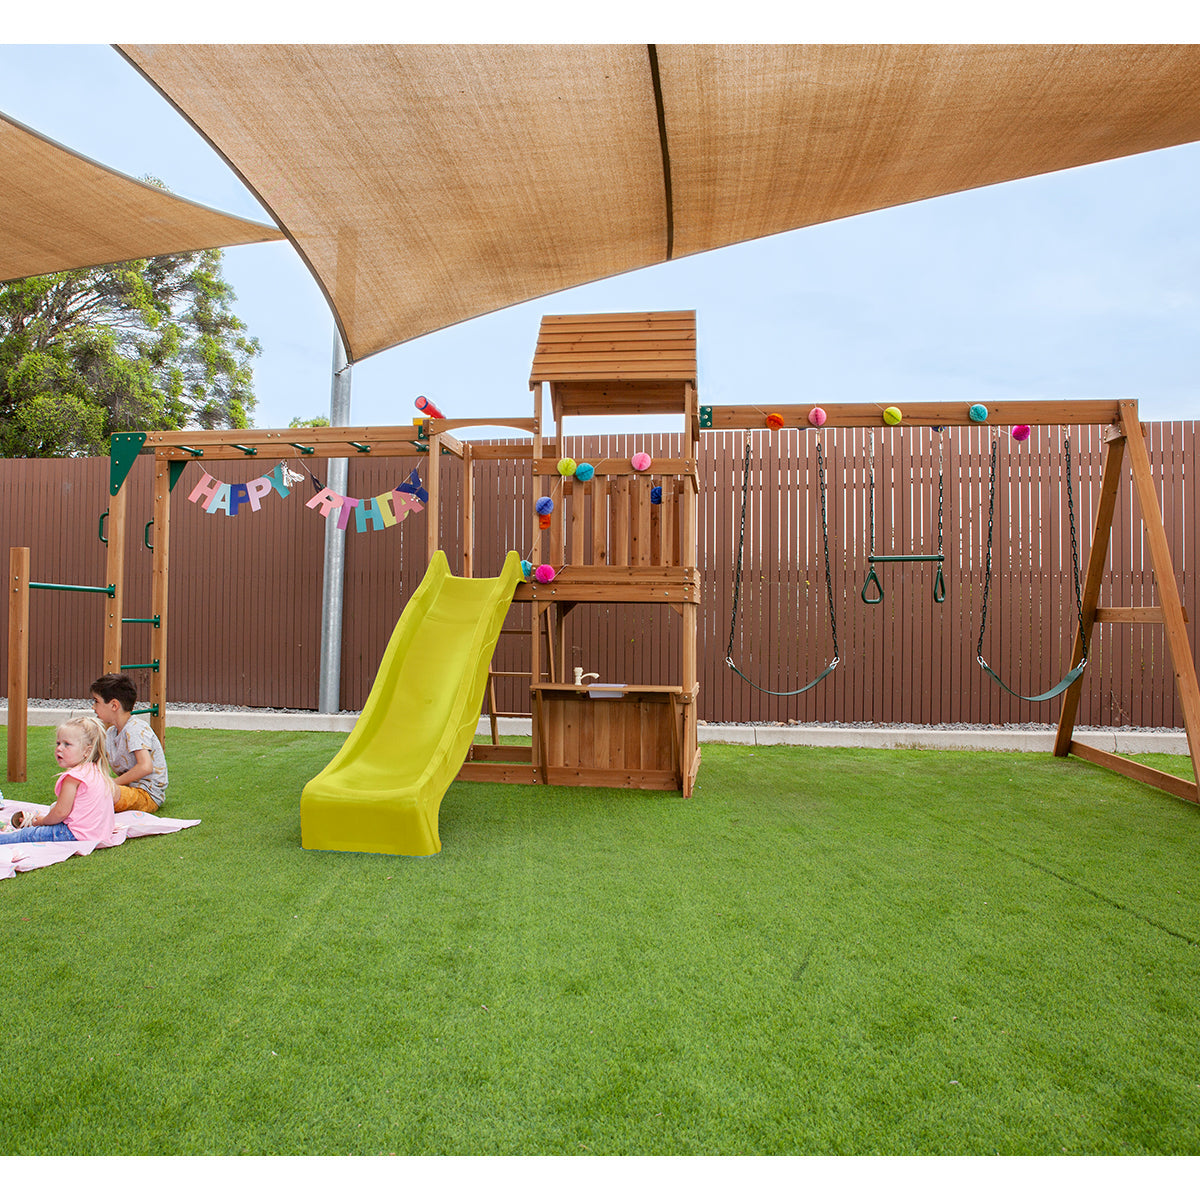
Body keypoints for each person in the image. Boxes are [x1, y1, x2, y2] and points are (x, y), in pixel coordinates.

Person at [0, 715, 116, 845]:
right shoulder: (96, 771)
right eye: (58, 743)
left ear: (87, 751)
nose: (59, 748)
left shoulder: (73, 777)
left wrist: (41, 821)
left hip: (74, 834)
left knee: (26, 835)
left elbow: (60, 813)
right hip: (99, 833)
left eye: (67, 744)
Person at [90, 673, 169, 813]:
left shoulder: (135, 729)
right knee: (90, 793)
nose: (93, 707)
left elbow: (145, 767)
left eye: (96, 701)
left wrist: (111, 784)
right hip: (129, 790)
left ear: (114, 705)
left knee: (102, 795)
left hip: (146, 796)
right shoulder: (111, 733)